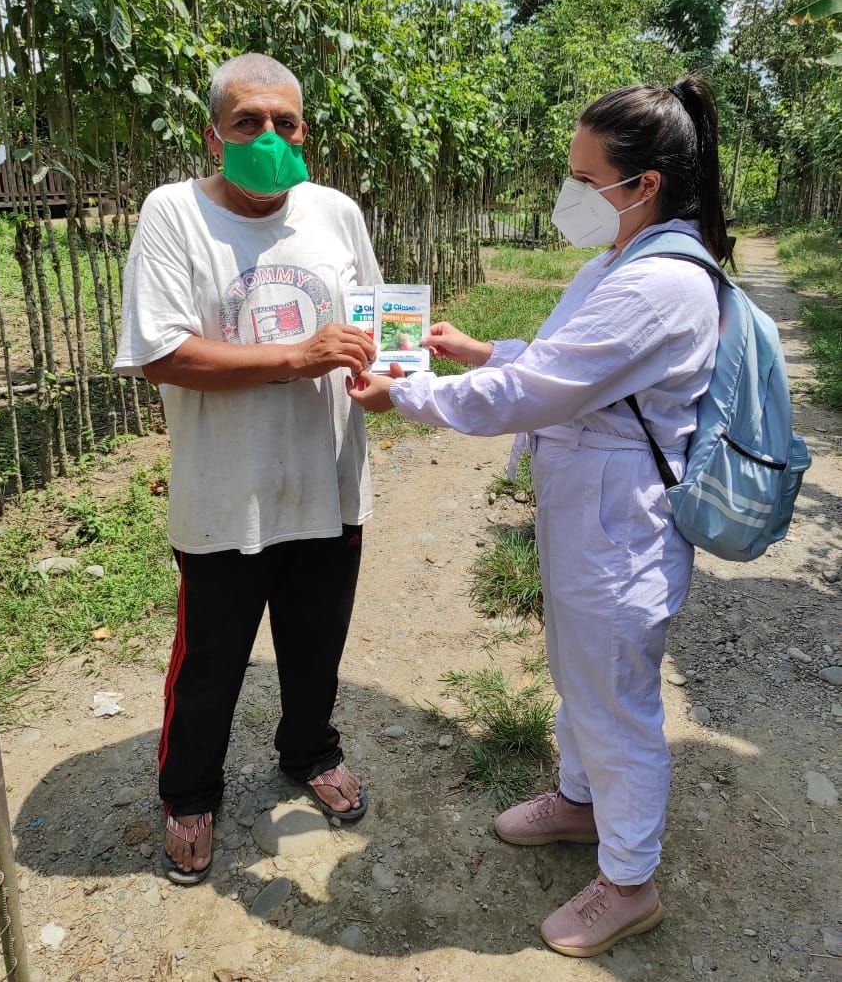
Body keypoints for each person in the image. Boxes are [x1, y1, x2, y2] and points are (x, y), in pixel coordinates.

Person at [347, 75, 735, 956]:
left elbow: (538, 391)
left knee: (615, 700)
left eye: (584, 179)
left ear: (644, 185)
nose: (570, 194)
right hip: (587, 508)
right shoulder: (619, 262)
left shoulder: (661, 285)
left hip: (620, 524)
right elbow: (567, 361)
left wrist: (408, 395)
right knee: (579, 670)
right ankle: (581, 801)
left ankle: (629, 881)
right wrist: (481, 349)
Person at [114, 53, 381, 886]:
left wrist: (396, 370)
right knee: (210, 661)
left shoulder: (335, 213)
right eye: (248, 122)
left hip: (328, 481)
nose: (270, 135)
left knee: (317, 644)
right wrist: (297, 356)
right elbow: (161, 354)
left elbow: (373, 322)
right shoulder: (174, 213)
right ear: (214, 135)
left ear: (304, 132)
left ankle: (310, 752)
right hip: (224, 493)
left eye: (285, 122)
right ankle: (190, 793)